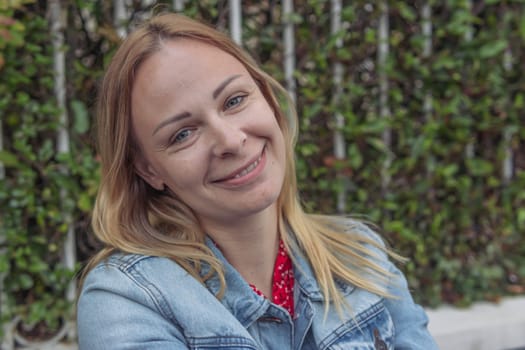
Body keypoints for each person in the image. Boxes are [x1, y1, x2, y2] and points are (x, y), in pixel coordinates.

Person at [77, 12, 438, 349]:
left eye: (234, 100)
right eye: (182, 134)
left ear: (267, 98)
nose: (231, 140)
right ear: (148, 169)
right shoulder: (128, 300)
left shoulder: (360, 256)